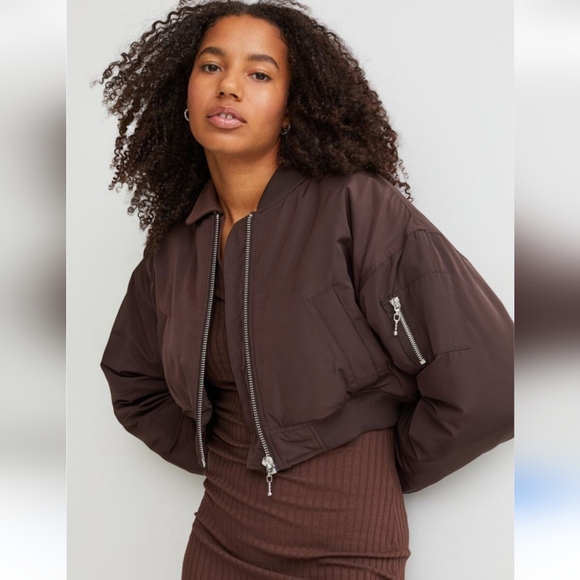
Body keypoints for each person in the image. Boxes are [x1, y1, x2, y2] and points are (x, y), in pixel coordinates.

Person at [98, 1, 514, 578]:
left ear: (293, 107)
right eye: (211, 66)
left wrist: (379, 465)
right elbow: (134, 381)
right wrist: (222, 451)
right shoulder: (177, 244)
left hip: (347, 550)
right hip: (219, 543)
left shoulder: (356, 207)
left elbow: (491, 379)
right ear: (185, 95)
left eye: (259, 73)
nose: (229, 86)